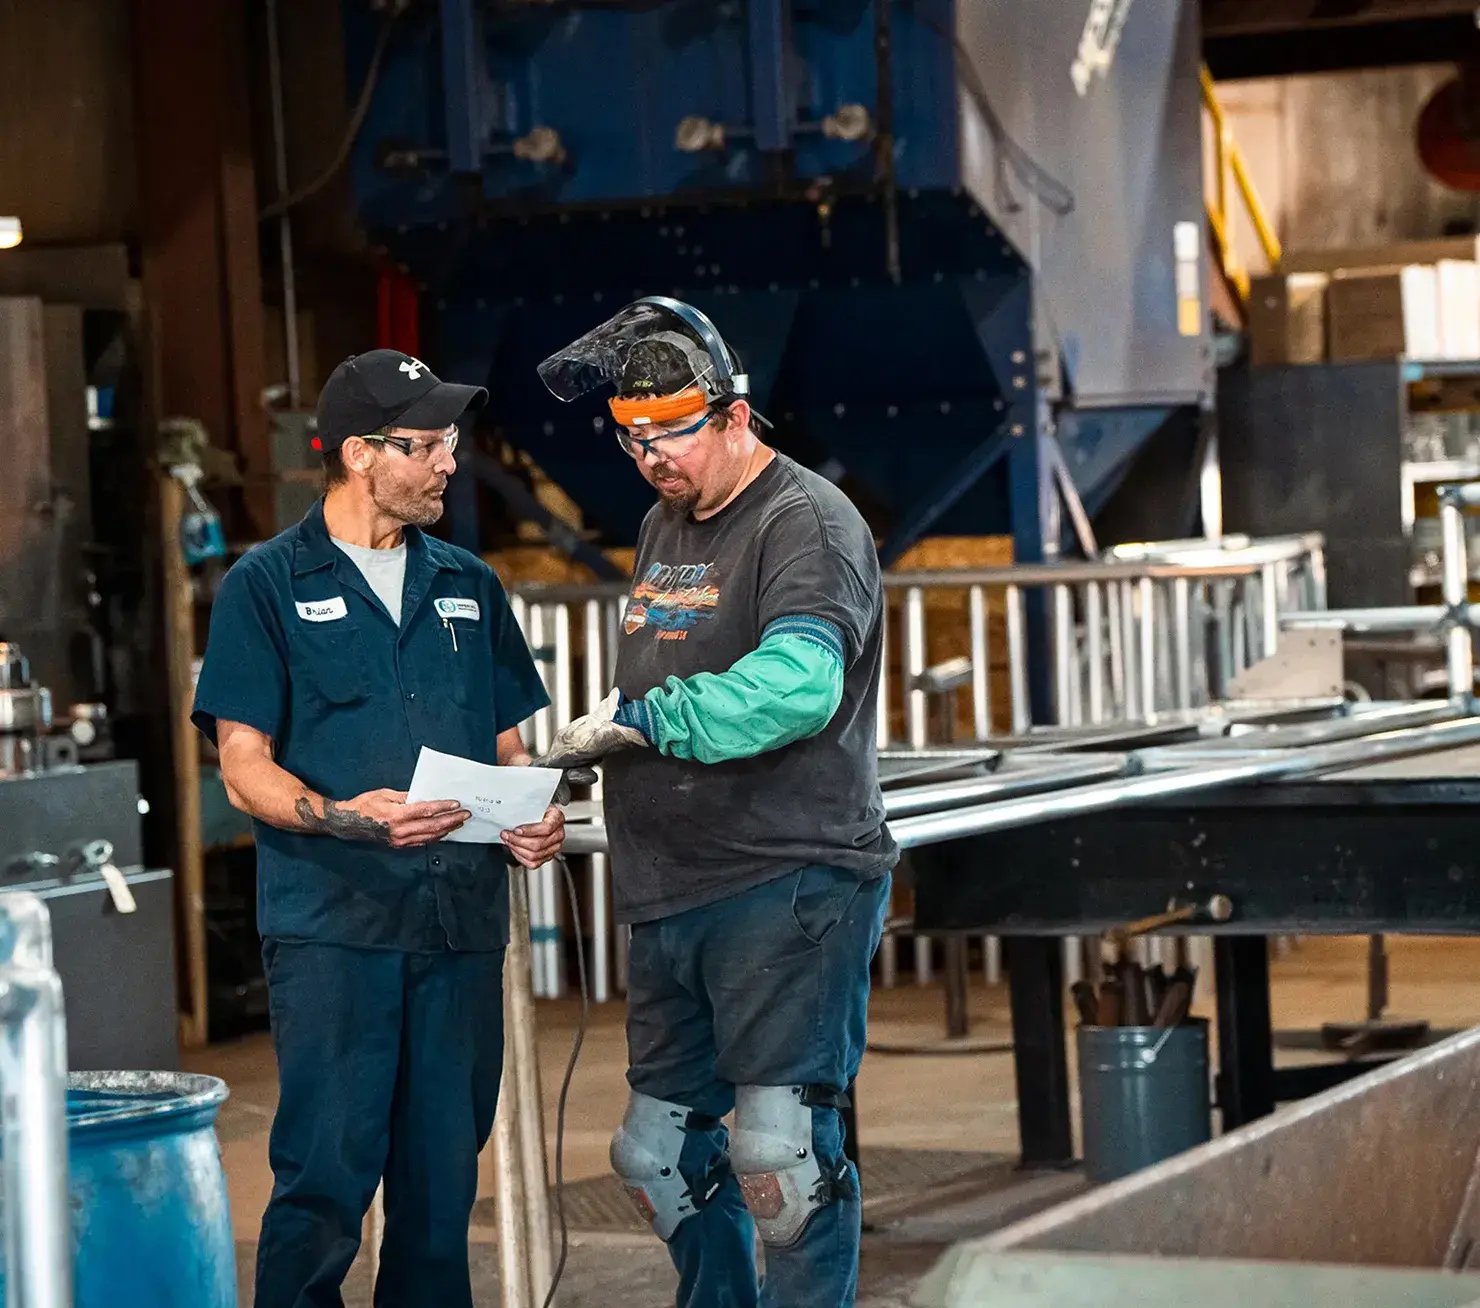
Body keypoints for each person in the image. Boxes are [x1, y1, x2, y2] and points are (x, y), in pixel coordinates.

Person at [534, 298, 897, 1307]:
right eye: (633, 438)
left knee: (779, 1161)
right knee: (658, 1156)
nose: (653, 459)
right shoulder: (662, 523)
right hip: (672, 889)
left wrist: (647, 722)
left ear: (736, 419)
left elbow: (796, 686)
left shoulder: (806, 524)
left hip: (782, 880)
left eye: (674, 435)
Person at [191, 349, 566, 1308]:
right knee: (324, 1183)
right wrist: (350, 820)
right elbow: (244, 769)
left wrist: (530, 810)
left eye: (449, 442)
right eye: (428, 445)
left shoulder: (469, 586)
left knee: (442, 1195)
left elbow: (506, 746)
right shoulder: (266, 586)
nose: (449, 462)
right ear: (361, 453)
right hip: (336, 932)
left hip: (457, 931)